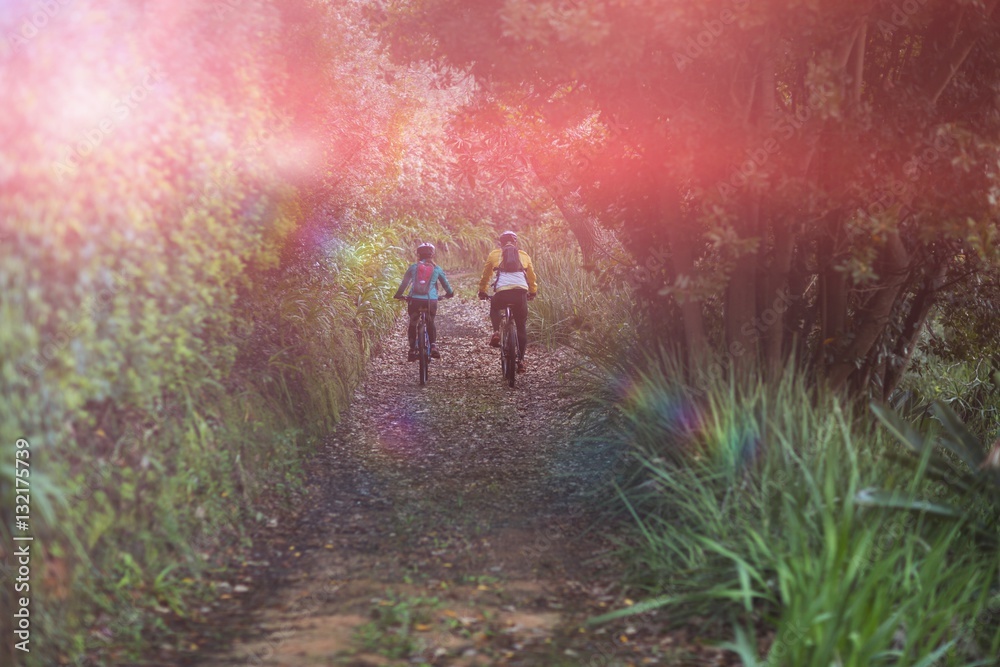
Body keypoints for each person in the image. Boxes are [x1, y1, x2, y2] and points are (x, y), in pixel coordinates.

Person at [477, 230, 538, 373]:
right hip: (520, 294)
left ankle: (496, 332)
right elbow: (532, 277)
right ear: (515, 242)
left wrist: (482, 290)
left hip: (502, 293)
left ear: (501, 243)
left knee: (495, 306)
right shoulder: (524, 255)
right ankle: (521, 360)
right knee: (521, 326)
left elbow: (486, 275)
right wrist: (533, 291)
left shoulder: (494, 254)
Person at [394, 242, 454, 361]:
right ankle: (433, 346)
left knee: (413, 323)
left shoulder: (413, 267)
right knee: (430, 321)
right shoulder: (436, 269)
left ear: (418, 255)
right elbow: (446, 285)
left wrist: (398, 295)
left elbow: (404, 283)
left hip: (414, 300)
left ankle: (412, 350)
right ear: (432, 255)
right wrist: (449, 294)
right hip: (430, 301)